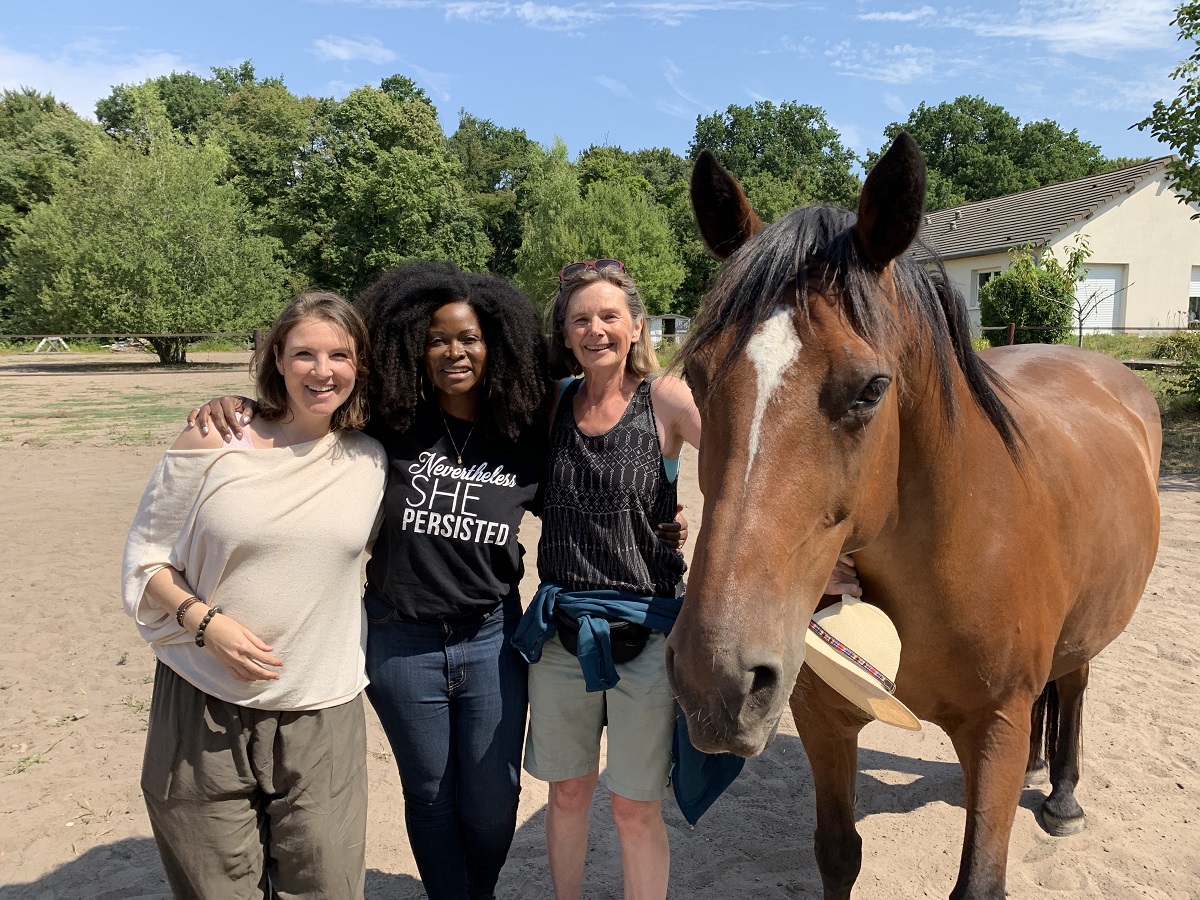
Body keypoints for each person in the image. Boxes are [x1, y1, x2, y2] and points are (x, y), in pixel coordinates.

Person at [189, 261, 686, 900]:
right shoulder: (385, 425)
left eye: (470, 337)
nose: (455, 351)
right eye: (438, 338)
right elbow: (308, 409)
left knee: (490, 802)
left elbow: (588, 494)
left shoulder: (525, 429)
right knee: (428, 795)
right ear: (412, 349)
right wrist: (247, 407)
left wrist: (661, 518)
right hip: (402, 642)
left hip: (492, 638)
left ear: (496, 345)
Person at [514, 259, 858, 900]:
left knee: (633, 807)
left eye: (610, 316)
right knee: (567, 794)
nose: (596, 331)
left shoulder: (665, 398)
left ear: (636, 326)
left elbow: (749, 466)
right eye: (580, 319)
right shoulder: (554, 403)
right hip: (561, 634)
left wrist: (817, 552)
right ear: (564, 334)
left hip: (646, 633)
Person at [121, 291, 388, 899]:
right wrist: (206, 622)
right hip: (202, 700)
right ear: (277, 358)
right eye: (304, 355)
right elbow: (146, 560)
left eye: (339, 355)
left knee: (327, 884)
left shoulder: (371, 460)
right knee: (216, 888)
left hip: (321, 707)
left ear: (360, 366)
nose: (322, 371)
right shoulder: (214, 440)